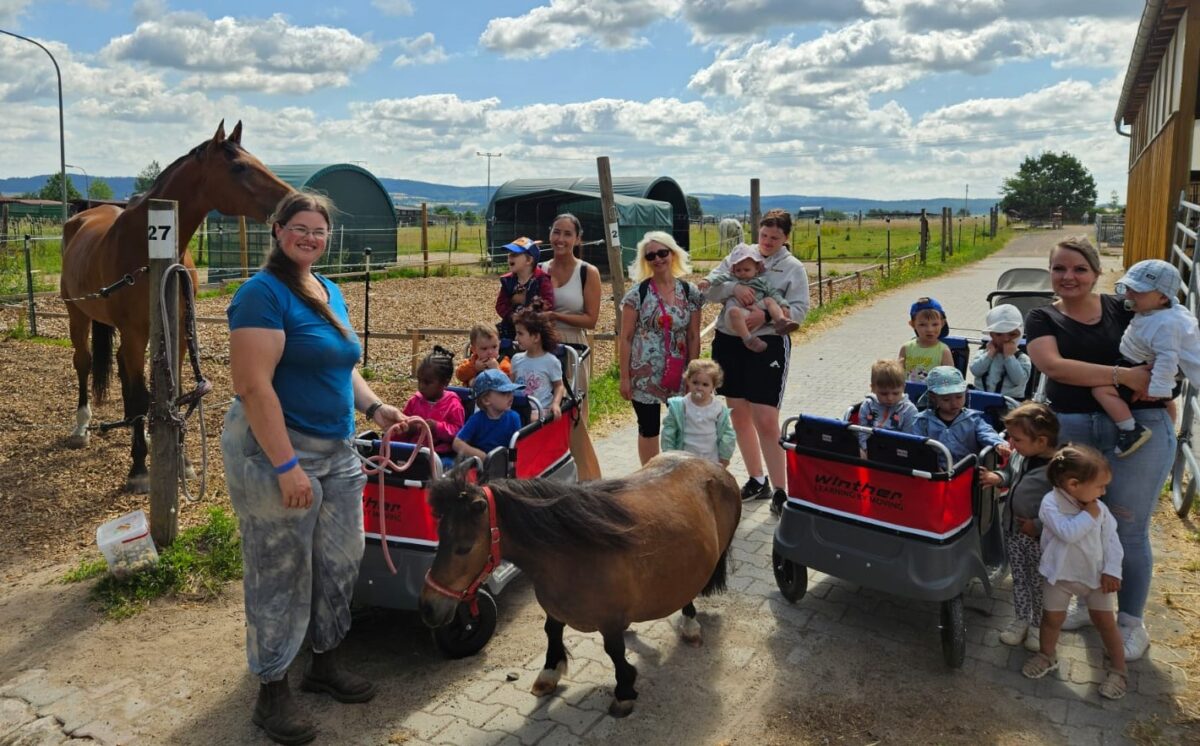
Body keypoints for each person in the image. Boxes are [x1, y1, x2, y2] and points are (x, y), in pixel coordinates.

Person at [222, 191, 407, 745]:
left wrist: (375, 407)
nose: (310, 237)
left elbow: (340, 366)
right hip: (278, 452)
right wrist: (285, 466)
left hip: (336, 448)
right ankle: (271, 690)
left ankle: (324, 662)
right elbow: (253, 386)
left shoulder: (327, 290)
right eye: (299, 228)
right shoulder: (261, 295)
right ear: (277, 230)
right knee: (279, 569)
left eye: (319, 231)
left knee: (341, 557)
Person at [1025, 236, 1173, 661]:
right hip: (1074, 428)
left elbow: (1165, 347)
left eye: (1078, 269)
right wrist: (1121, 377)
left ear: (1095, 272)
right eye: (1059, 269)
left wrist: (1170, 399)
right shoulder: (1041, 317)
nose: (1068, 277)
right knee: (1074, 518)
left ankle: (1129, 620)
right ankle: (1086, 602)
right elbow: (1054, 367)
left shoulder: (1123, 307)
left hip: (1142, 424)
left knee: (1127, 525)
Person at [705, 209, 810, 514]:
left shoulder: (793, 268)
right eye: (764, 235)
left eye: (775, 238)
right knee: (738, 415)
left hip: (769, 345)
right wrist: (733, 288)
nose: (767, 242)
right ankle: (756, 478)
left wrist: (765, 314)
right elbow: (712, 289)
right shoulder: (740, 256)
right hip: (729, 341)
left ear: (786, 238)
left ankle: (781, 490)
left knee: (765, 418)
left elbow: (801, 310)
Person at [1022, 445, 1127, 701]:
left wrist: (1113, 570)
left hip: (1095, 579)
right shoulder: (1051, 504)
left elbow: (1112, 540)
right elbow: (1067, 532)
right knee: (1052, 620)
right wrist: (1090, 515)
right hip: (1059, 577)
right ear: (1073, 484)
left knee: (1106, 624)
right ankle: (1047, 655)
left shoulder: (1098, 508)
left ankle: (1119, 670)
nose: (1104, 492)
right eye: (1100, 486)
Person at [1092, 259, 1200, 457]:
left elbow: (1168, 357)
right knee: (1167, 403)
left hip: (1154, 373)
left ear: (1162, 297)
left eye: (1138, 291)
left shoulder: (1165, 324)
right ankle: (1169, 435)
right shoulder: (1154, 311)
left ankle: (1130, 430)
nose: (1129, 295)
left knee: (1101, 389)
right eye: (1129, 288)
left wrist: (1156, 389)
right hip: (1150, 367)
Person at [980, 402, 1059, 653]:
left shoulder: (1057, 470)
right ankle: (1021, 620)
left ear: (1041, 441)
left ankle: (1038, 626)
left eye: (1018, 439)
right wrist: (998, 478)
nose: (1011, 445)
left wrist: (1037, 525)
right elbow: (1011, 475)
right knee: (1021, 581)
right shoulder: (1021, 456)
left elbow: (1066, 507)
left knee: (1039, 585)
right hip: (1014, 533)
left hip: (1040, 540)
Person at [619, 231, 702, 465]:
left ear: (672, 253)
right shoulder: (637, 295)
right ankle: (650, 476)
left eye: (662, 253)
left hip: (679, 372)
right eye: (650, 256)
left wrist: (693, 375)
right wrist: (624, 377)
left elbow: (694, 335)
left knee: (682, 424)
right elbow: (625, 337)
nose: (657, 259)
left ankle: (680, 473)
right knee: (648, 428)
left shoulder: (690, 293)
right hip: (644, 374)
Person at [542, 213, 602, 479]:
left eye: (567, 234)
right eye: (557, 232)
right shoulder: (540, 269)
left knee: (575, 414)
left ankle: (584, 476)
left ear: (578, 239)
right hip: (541, 347)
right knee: (544, 409)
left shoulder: (587, 272)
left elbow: (591, 319)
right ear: (550, 235)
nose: (561, 239)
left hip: (573, 348)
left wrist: (556, 316)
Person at [698, 243, 798, 351]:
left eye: (746, 270)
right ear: (733, 270)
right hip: (737, 312)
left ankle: (782, 321)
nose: (742, 273)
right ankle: (748, 339)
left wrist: (783, 304)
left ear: (756, 269)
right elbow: (717, 277)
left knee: (770, 300)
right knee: (733, 311)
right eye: (738, 270)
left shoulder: (761, 281)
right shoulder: (732, 278)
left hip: (756, 308)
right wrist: (707, 280)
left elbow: (774, 293)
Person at [910, 366, 1010, 465]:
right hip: (935, 472)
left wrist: (998, 443)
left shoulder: (973, 419)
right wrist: (931, 466)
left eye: (959, 397)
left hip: (967, 470)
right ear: (933, 397)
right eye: (946, 399)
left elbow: (986, 432)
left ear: (965, 393)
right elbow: (916, 446)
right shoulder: (922, 421)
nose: (954, 403)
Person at [660, 359, 735, 467]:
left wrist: (725, 456)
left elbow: (727, 434)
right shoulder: (680, 406)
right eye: (695, 383)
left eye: (705, 384)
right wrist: (669, 455)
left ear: (713, 387)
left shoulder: (718, 409)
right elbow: (668, 431)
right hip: (685, 461)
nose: (699, 388)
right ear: (688, 381)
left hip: (711, 461)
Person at [399, 346, 464, 457]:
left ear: (445, 383)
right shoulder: (414, 401)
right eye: (419, 380)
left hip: (441, 454)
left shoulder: (453, 405)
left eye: (427, 382)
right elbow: (400, 426)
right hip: (413, 453)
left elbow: (459, 433)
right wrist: (408, 428)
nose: (421, 386)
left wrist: (437, 427)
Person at [452, 369, 525, 461]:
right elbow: (457, 443)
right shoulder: (476, 419)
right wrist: (481, 456)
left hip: (505, 464)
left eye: (511, 391)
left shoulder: (514, 418)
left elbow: (518, 447)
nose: (511, 396)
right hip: (481, 466)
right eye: (504, 392)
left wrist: (509, 465)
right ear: (486, 400)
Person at [495, 236, 554, 340]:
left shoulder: (542, 280)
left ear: (529, 260)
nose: (510, 257)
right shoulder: (508, 281)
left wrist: (527, 310)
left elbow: (548, 304)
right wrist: (513, 317)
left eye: (514, 254)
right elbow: (500, 305)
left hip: (534, 332)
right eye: (509, 254)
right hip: (511, 330)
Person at [511, 307, 564, 421]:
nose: (516, 338)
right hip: (519, 408)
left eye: (520, 334)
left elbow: (559, 386)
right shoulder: (516, 359)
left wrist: (555, 404)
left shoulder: (550, 361)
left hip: (541, 409)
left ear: (535, 337)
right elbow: (511, 384)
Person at [969, 304, 1032, 399]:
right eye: (999, 334)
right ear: (992, 335)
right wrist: (989, 355)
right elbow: (976, 371)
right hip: (981, 399)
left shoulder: (1022, 358)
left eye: (1012, 334)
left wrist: (1009, 357)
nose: (1006, 339)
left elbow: (1019, 380)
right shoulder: (983, 352)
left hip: (1010, 403)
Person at [855, 358, 918, 453]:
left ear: (903, 388)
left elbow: (909, 439)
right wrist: (865, 449)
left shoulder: (909, 410)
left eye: (896, 393)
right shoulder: (867, 405)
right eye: (884, 393)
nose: (890, 398)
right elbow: (863, 431)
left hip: (896, 453)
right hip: (870, 449)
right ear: (873, 388)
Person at [899, 297, 954, 382]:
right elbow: (896, 376)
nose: (929, 329)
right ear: (912, 324)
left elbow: (950, 380)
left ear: (942, 323)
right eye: (922, 325)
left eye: (935, 324)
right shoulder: (906, 348)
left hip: (934, 394)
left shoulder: (943, 351)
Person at [455, 322, 513, 387]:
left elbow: (508, 383)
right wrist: (475, 368)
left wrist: (497, 370)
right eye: (484, 349)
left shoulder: (503, 362)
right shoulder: (473, 361)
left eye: (494, 347)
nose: (490, 352)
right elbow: (459, 375)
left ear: (499, 345)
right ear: (474, 350)